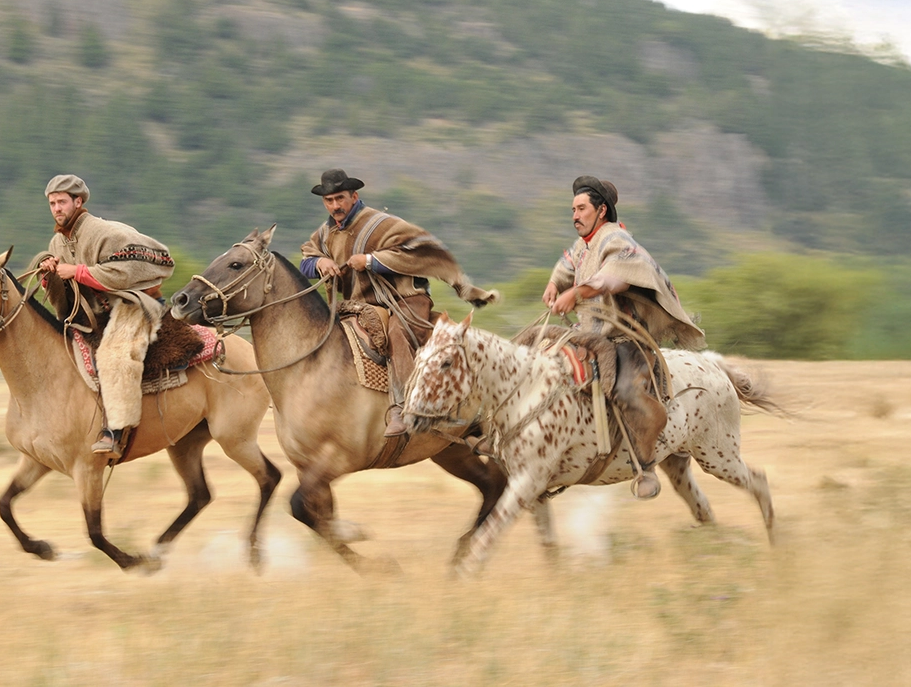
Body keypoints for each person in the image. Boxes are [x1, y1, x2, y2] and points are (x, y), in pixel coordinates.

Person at [299, 168, 497, 436]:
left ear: (354, 196)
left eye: (340, 198)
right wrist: (320, 262)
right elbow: (306, 261)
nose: (335, 205)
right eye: (329, 200)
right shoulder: (324, 234)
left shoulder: (380, 223)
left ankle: (402, 408)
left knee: (396, 332)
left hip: (406, 300)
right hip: (358, 307)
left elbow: (423, 248)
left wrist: (370, 261)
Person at [542, 175, 705, 498]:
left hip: (624, 339)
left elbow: (612, 279)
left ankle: (645, 468)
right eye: (573, 209)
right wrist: (554, 284)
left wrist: (577, 292)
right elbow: (566, 264)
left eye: (581, 208)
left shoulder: (617, 240)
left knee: (626, 391)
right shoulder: (584, 244)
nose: (575, 215)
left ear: (601, 211)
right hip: (587, 334)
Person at [31, 174, 175, 456]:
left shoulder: (105, 232)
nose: (57, 208)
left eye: (62, 202)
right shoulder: (57, 244)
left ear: (78, 201)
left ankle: (116, 431)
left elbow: (153, 262)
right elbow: (62, 290)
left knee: (114, 354)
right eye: (52, 203)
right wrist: (48, 274)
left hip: (133, 304)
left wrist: (79, 272)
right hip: (95, 313)